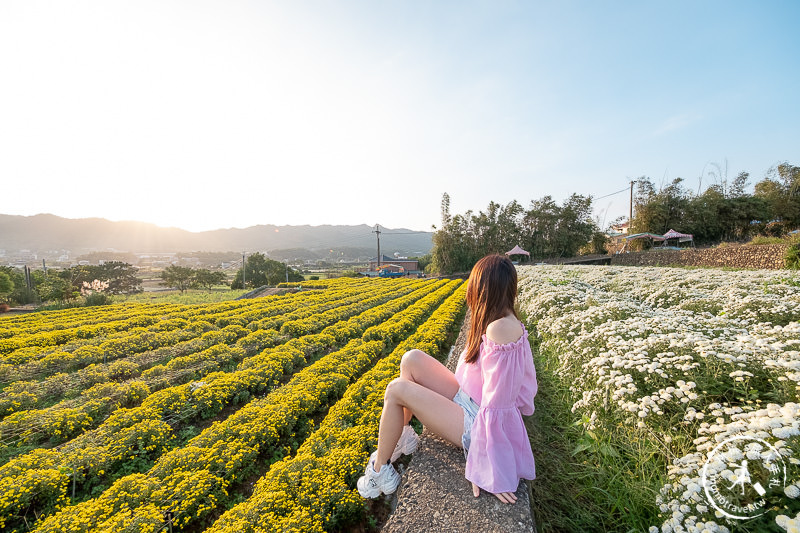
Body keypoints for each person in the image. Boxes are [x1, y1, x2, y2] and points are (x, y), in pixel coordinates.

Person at [357, 254, 538, 503]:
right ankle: (404, 436)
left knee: (396, 390)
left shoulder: (501, 329)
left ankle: (380, 471)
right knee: (411, 359)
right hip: (468, 399)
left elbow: (500, 406)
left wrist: (492, 471)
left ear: (484, 289)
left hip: (477, 423)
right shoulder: (501, 321)